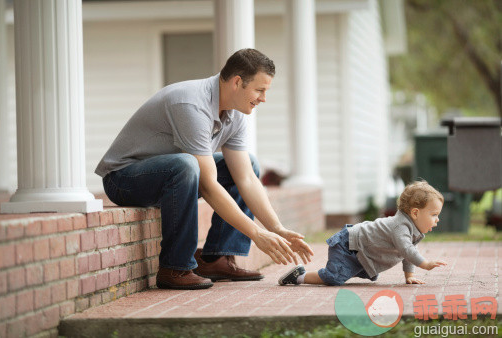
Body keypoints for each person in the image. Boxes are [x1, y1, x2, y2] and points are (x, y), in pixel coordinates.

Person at [95, 48, 313, 290]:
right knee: (186, 164)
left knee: (246, 163)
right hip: (124, 178)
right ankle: (175, 268)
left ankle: (216, 258)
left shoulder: (236, 113)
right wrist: (256, 234)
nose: (263, 98)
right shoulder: (191, 103)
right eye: (259, 90)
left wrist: (277, 229)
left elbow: (246, 179)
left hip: (172, 176)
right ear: (237, 82)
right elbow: (208, 185)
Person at [278, 181, 447, 286]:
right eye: (434, 215)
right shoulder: (400, 226)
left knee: (347, 273)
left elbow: (408, 254)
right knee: (334, 278)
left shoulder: (413, 231)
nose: (437, 220)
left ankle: (339, 271)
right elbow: (407, 251)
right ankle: (299, 276)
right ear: (415, 213)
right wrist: (424, 264)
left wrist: (409, 276)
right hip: (349, 244)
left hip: (360, 251)